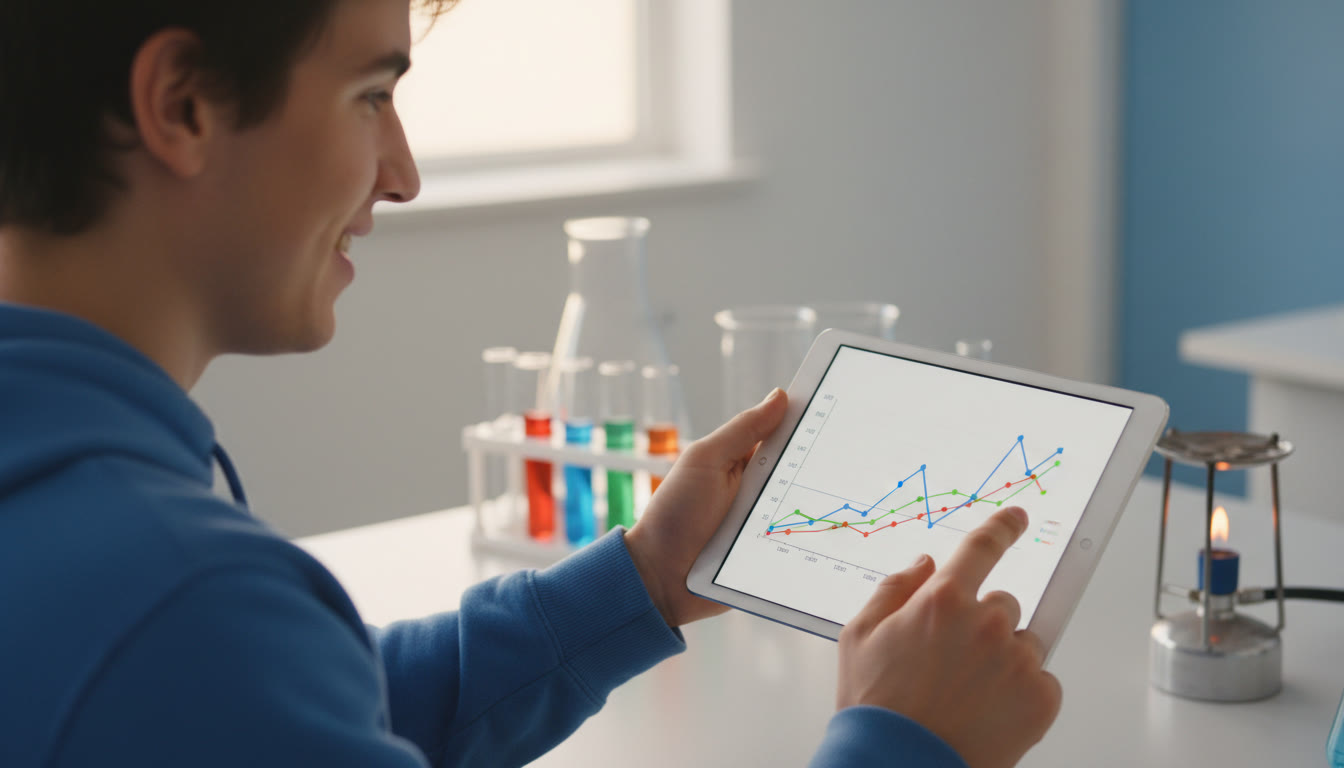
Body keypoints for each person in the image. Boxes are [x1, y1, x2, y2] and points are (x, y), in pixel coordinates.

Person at [0, 1, 1061, 766]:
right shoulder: (182, 606)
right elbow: (222, 670)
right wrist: (901, 742)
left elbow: (293, 708)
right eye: (371, 95)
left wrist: (639, 581)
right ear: (182, 105)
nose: (402, 173)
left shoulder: (127, 576)